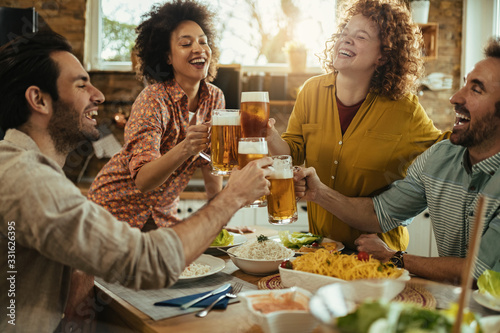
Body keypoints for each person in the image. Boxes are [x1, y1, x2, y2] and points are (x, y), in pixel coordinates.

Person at [0, 32, 272, 332]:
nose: (98, 95)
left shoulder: (23, 166)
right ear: (39, 99)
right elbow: (150, 260)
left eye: (203, 41)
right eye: (81, 84)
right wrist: (232, 197)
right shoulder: (28, 179)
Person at [294, 37, 500, 283]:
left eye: (476, 89)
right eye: (464, 85)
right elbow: (378, 214)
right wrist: (318, 193)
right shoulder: (439, 159)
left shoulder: (406, 110)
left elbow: (481, 273)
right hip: (455, 308)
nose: (455, 98)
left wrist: (395, 257)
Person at [266, 0, 449, 251]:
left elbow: (446, 150)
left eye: (360, 37)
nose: (347, 40)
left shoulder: (405, 109)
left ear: (383, 54)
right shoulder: (311, 91)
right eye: (344, 33)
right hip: (322, 249)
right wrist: (268, 134)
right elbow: (291, 155)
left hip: (377, 254)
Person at [88, 0, 224, 231]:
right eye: (185, 43)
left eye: (203, 41)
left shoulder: (214, 98)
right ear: (167, 57)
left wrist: (219, 219)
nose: (199, 48)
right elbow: (143, 180)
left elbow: (212, 166)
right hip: (112, 214)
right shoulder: (153, 99)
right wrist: (186, 147)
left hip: (161, 218)